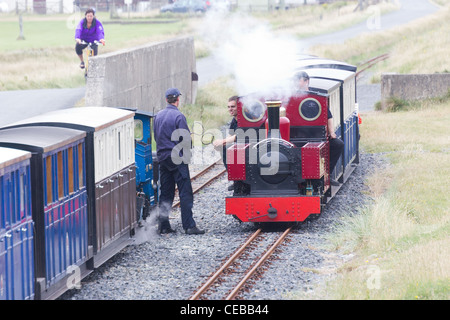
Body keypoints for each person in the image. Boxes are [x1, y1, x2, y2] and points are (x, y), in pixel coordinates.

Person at [153, 88, 205, 235]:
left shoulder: (158, 116)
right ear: (178, 100)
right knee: (185, 192)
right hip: (177, 158)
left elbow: (156, 137)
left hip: (163, 158)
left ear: (166, 100)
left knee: (166, 192)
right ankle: (189, 226)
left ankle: (163, 225)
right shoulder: (179, 116)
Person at [295, 71, 344, 186]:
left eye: (298, 80)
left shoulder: (314, 99)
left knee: (338, 144)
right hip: (296, 134)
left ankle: (327, 174)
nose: (295, 83)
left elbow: (329, 116)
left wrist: (331, 132)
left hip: (315, 134)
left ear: (306, 81)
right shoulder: (290, 98)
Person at [213, 95, 238, 166]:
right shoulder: (234, 120)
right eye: (228, 107)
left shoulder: (244, 120)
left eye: (233, 106)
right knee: (224, 148)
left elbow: (238, 136)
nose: (230, 109)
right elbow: (230, 137)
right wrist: (220, 144)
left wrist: (222, 141)